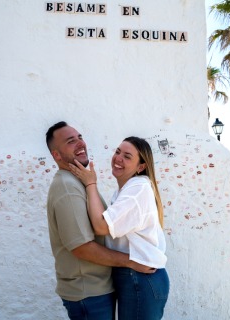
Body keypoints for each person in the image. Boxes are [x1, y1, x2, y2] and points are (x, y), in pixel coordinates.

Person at [45, 122, 154, 320]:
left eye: (80, 137)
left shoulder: (80, 182)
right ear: (57, 155)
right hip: (88, 292)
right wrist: (132, 263)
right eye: (71, 141)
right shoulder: (68, 187)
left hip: (97, 289)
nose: (80, 143)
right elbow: (81, 247)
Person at [69, 136, 169, 320]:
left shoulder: (137, 189)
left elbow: (101, 226)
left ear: (141, 167)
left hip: (140, 277)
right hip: (135, 276)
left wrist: (90, 183)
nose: (118, 158)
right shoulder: (127, 189)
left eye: (127, 156)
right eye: (117, 152)